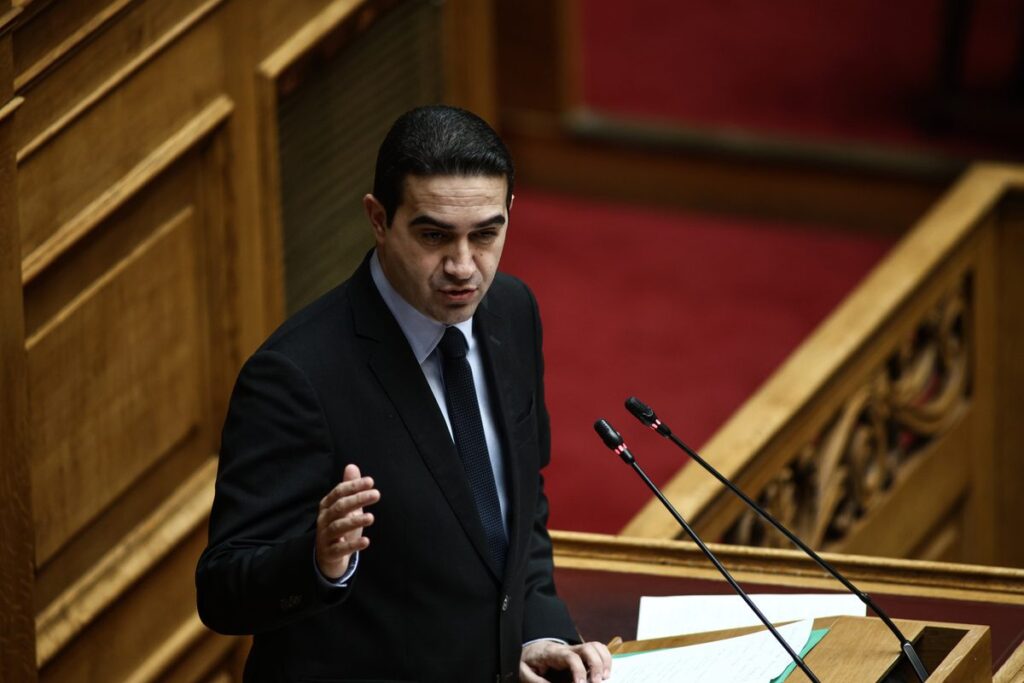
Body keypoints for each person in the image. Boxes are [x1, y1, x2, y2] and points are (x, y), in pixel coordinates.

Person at [196, 105, 612, 682]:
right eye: (434, 236)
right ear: (378, 219)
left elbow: (520, 508)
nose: (463, 266)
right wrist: (318, 560)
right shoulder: (295, 376)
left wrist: (535, 629)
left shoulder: (512, 311)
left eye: (485, 234)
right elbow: (222, 591)